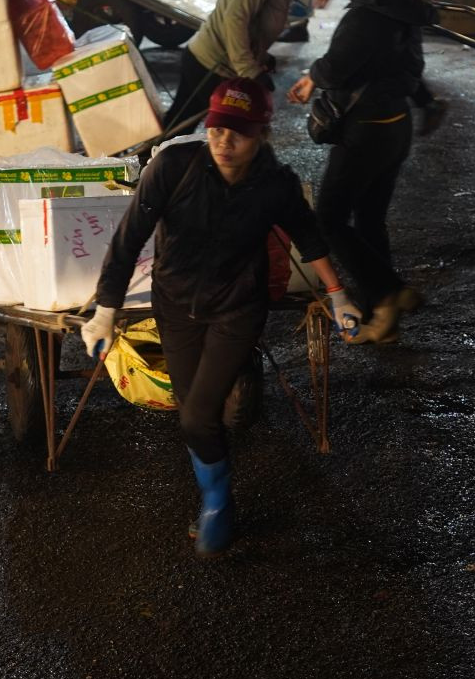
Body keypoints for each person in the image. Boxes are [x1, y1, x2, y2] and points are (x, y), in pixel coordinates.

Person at [82, 78, 354, 556]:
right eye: (217, 129)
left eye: (239, 134)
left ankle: (215, 503)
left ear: (262, 135)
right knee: (193, 414)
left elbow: (309, 238)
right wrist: (105, 311)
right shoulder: (172, 167)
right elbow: (128, 240)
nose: (224, 143)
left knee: (198, 414)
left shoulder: (275, 185)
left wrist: (338, 295)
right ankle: (219, 490)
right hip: (175, 306)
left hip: (237, 308)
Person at [288, 0, 433, 346]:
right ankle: (381, 314)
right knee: (369, 219)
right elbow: (407, 68)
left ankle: (388, 292)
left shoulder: (366, 14)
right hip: (396, 126)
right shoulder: (406, 10)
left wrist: (312, 74)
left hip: (365, 130)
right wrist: (427, 101)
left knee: (329, 219)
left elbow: (336, 68)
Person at [161, 0, 333, 134]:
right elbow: (235, 19)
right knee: (221, 132)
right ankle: (154, 165)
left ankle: (158, 163)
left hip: (224, 66)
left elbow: (257, 23)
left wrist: (260, 56)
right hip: (208, 65)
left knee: (183, 130)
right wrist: (250, 70)